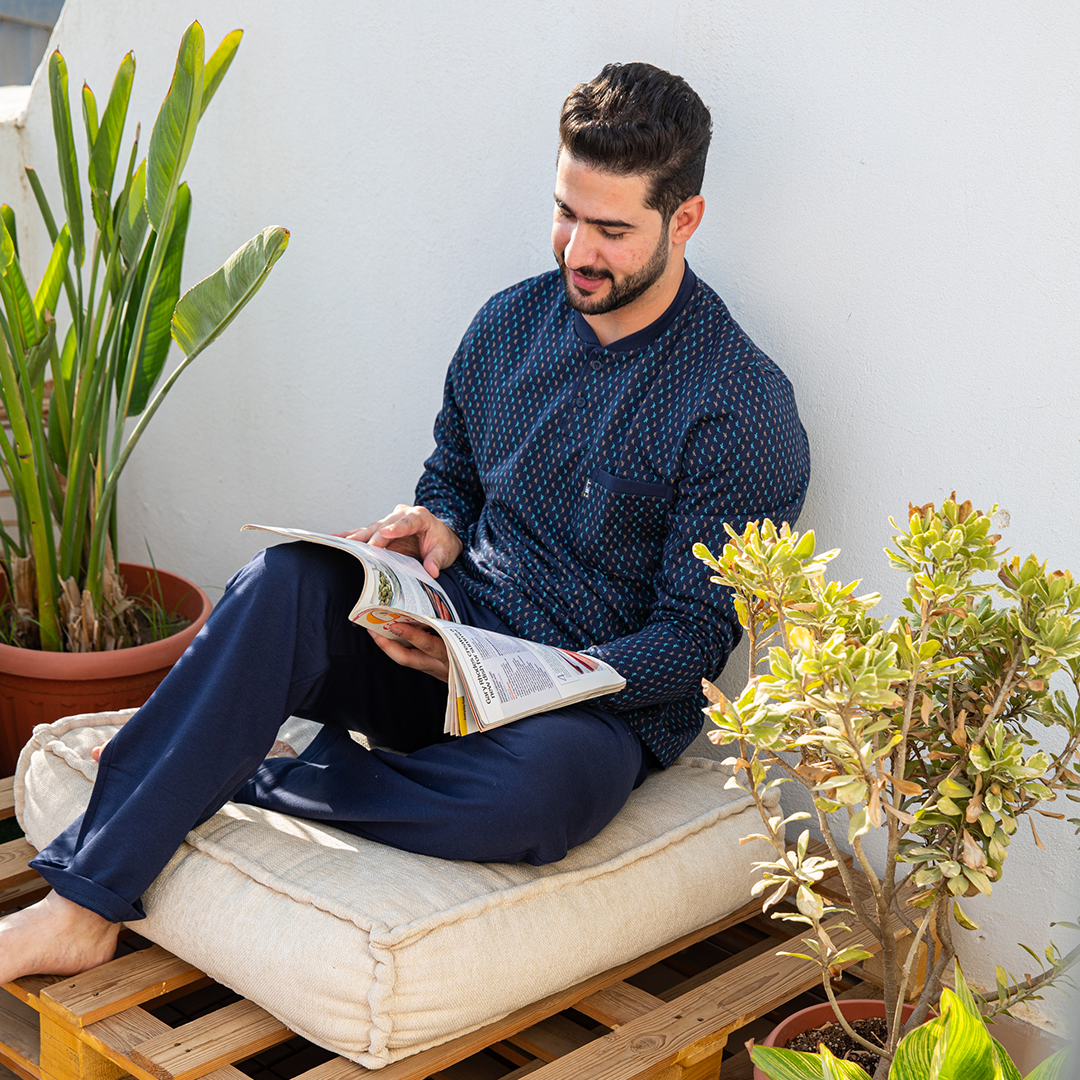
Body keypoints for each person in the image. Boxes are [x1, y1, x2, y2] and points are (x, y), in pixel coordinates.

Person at [0, 62, 810, 982]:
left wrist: (536, 678)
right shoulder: (509, 324)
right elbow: (455, 470)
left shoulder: (740, 409)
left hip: (582, 709)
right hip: (442, 641)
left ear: (686, 219)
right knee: (287, 583)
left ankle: (240, 772)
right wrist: (437, 522)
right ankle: (81, 907)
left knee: (540, 798)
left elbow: (695, 637)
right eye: (565, 212)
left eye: (612, 229)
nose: (577, 250)